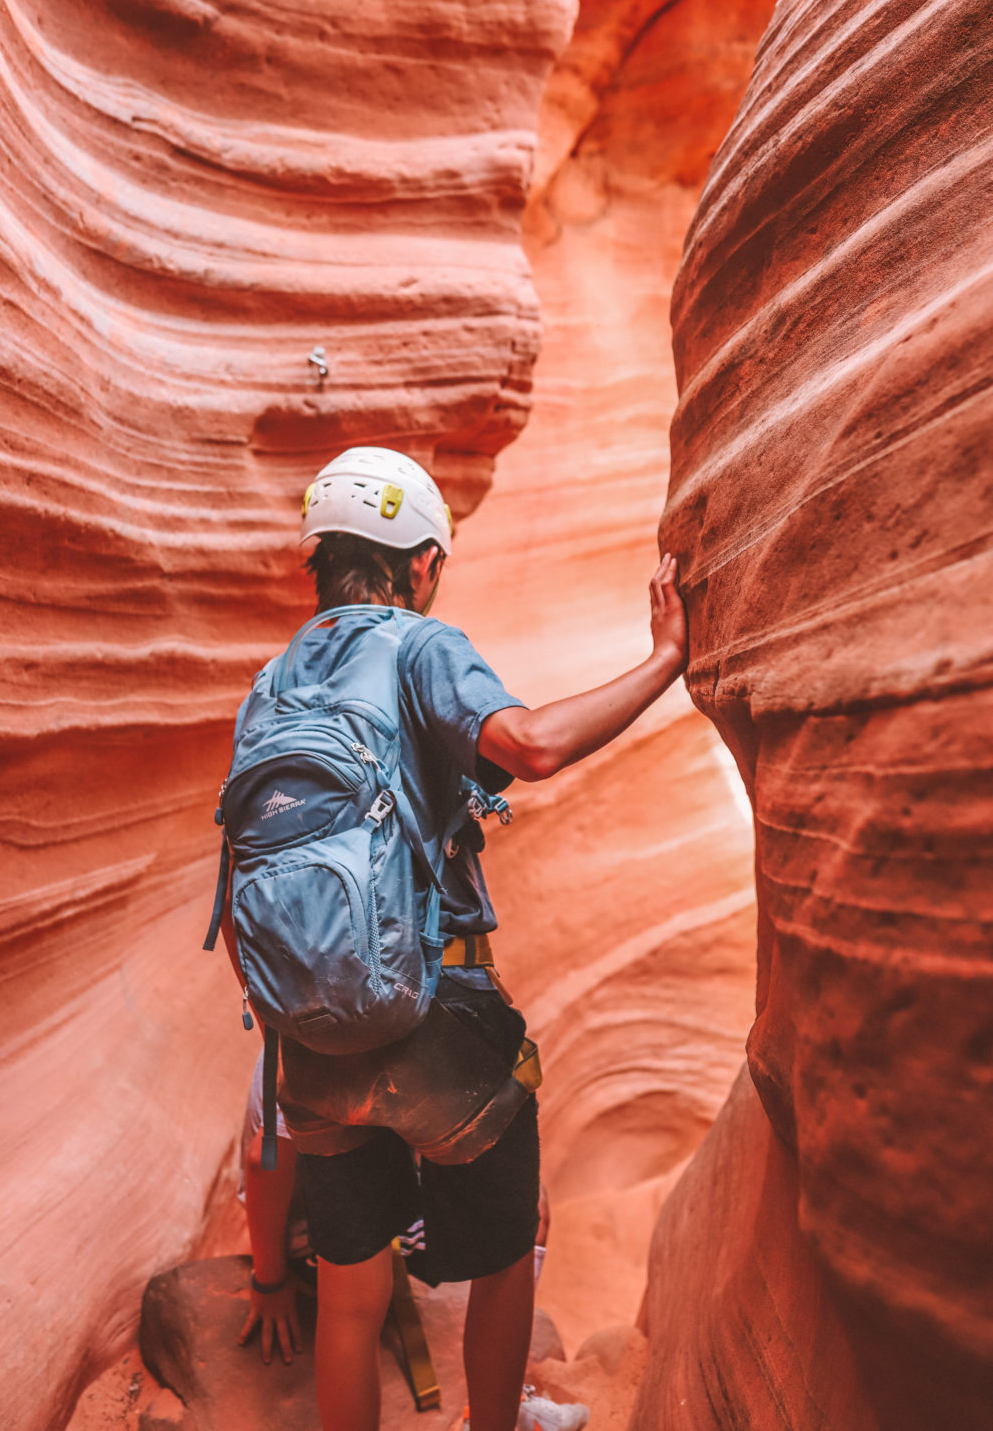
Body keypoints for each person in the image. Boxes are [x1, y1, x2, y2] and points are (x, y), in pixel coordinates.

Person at [221, 445, 688, 1431]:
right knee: (504, 1252)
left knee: (351, 1297)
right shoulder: (421, 646)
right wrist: (665, 661)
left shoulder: (271, 682)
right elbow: (532, 746)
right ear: (422, 562)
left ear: (322, 558)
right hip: (435, 1016)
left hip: (307, 1033)